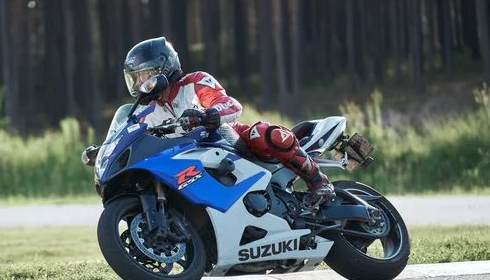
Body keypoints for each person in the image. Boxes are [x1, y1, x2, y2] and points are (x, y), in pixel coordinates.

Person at [123, 37, 335, 209]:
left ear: (163, 67)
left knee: (263, 133)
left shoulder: (194, 82)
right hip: (187, 161)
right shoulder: (146, 112)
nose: (140, 83)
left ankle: (318, 182)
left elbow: (230, 104)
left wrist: (207, 115)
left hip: (227, 141)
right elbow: (134, 135)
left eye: (144, 75)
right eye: (136, 77)